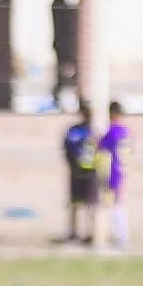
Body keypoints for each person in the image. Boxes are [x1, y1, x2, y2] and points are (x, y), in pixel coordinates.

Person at [58, 103, 95, 245]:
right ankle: (73, 232)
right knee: (75, 204)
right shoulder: (75, 131)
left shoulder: (93, 131)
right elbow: (66, 148)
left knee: (91, 204)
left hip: (91, 172)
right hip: (77, 171)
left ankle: (90, 232)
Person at [95, 102, 130, 251]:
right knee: (116, 203)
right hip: (121, 169)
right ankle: (120, 236)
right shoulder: (125, 131)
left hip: (112, 170)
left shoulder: (114, 131)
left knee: (112, 204)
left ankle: (118, 236)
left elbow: (101, 145)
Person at [50, 0, 78, 109]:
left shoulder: (63, 3)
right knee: (64, 75)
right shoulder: (60, 3)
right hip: (65, 48)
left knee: (66, 76)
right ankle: (59, 99)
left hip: (66, 47)